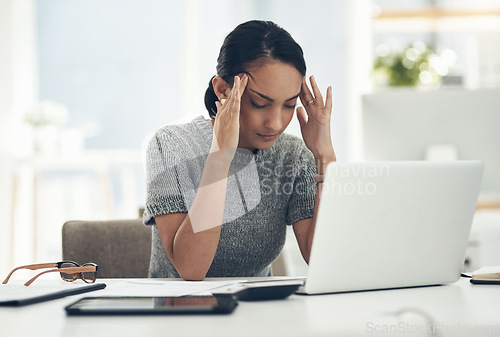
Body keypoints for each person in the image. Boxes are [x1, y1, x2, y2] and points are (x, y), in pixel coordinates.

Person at [143, 20, 336, 280]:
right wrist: (221, 155)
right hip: (183, 315)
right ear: (223, 90)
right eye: (259, 103)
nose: (275, 123)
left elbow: (325, 259)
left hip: (260, 315)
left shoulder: (293, 156)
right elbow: (191, 269)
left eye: (289, 105)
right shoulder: (169, 145)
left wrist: (325, 157)